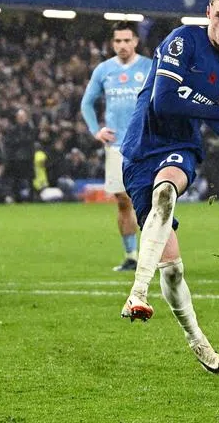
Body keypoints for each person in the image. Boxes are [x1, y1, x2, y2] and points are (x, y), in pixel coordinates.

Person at [119, 0, 219, 375]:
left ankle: (137, 292)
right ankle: (197, 339)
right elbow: (163, 100)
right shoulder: (183, 41)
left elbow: (211, 114)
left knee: (167, 192)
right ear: (208, 13)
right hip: (141, 148)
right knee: (175, 268)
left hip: (180, 147)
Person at [81, 22, 152, 271]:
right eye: (117, 41)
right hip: (116, 146)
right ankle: (132, 255)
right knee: (123, 200)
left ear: (135, 41)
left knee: (150, 201)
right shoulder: (104, 70)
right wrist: (95, 130)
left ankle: (154, 255)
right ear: (113, 44)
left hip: (146, 145)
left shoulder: (149, 67)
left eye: (126, 40)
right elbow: (87, 103)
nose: (122, 45)